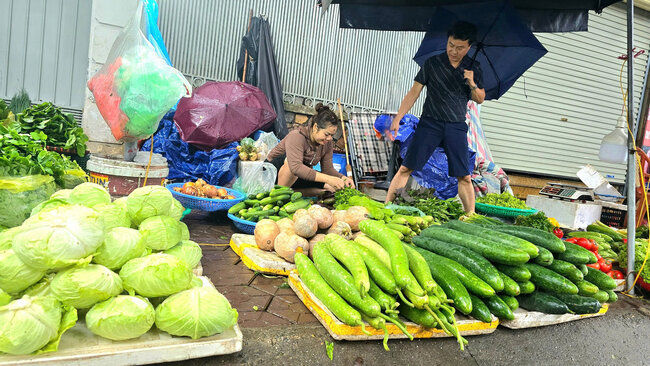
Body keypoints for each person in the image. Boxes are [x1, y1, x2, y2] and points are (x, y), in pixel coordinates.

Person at [385, 21, 485, 214]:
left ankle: (470, 216)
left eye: (459, 48)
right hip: (430, 123)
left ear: (469, 47)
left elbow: (479, 98)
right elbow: (413, 93)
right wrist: (398, 119)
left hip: (456, 126)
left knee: (464, 176)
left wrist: (472, 82)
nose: (453, 51)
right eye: (450, 45)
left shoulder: (473, 68)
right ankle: (387, 206)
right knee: (406, 167)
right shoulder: (432, 63)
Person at [267, 103, 354, 196]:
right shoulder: (297, 136)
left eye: (332, 135)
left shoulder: (326, 143)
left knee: (330, 189)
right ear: (316, 127)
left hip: (297, 177)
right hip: (271, 175)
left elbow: (328, 170)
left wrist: (343, 178)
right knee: (290, 165)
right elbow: (296, 168)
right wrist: (329, 179)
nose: (329, 138)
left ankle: (289, 195)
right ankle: (278, 197)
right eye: (326, 134)